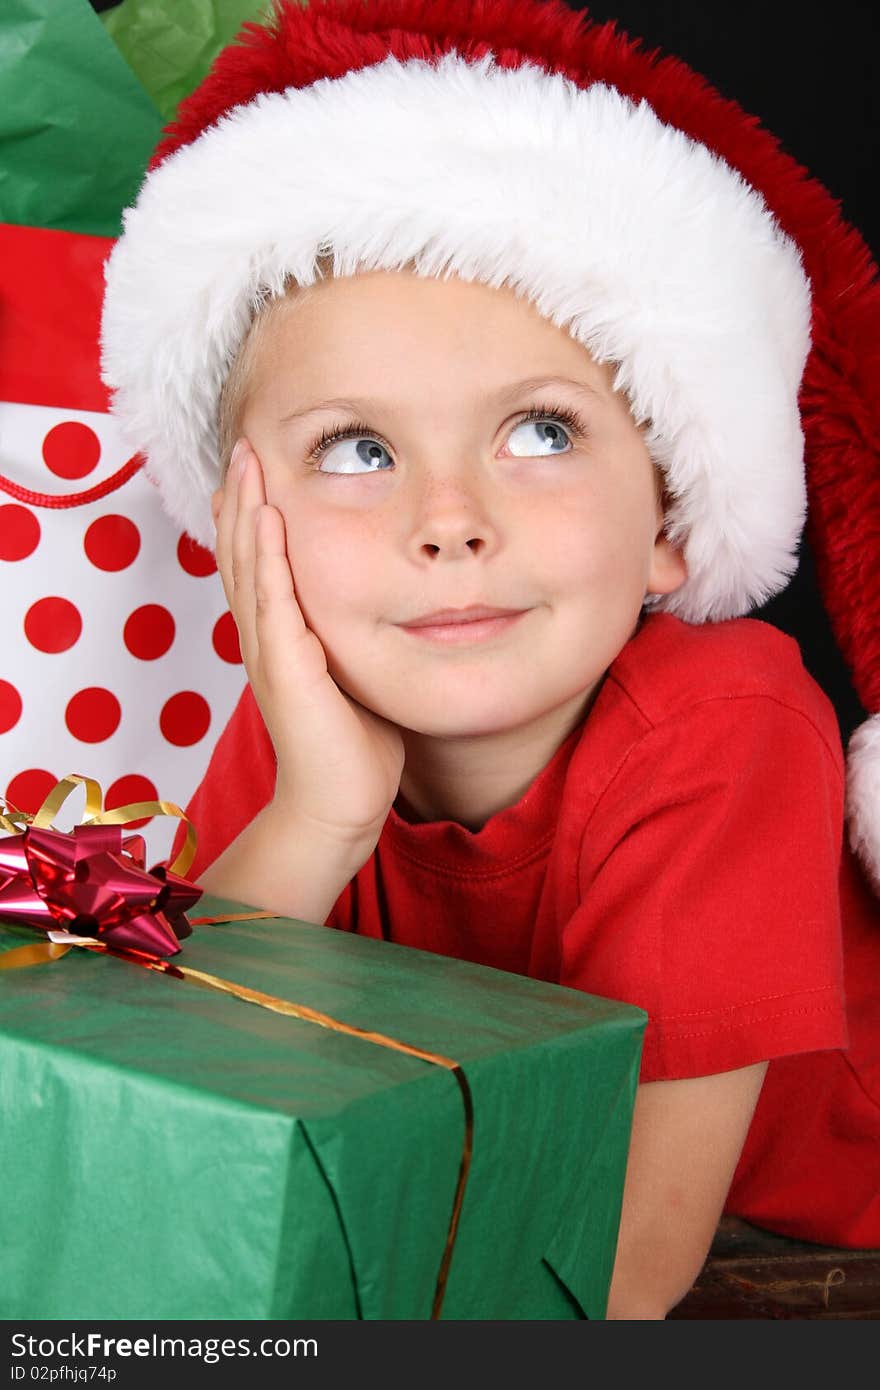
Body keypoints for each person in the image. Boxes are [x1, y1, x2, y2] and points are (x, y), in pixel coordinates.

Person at [100, 0, 880, 1318]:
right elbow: (160, 1120)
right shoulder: (310, 729)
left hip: (794, 1253)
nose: (448, 519)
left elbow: (620, 1264)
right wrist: (318, 812)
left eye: (539, 430)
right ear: (247, 527)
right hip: (483, 1223)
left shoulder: (724, 722)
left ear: (673, 517)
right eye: (360, 448)